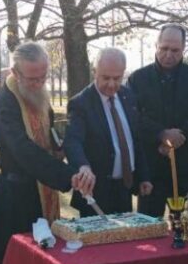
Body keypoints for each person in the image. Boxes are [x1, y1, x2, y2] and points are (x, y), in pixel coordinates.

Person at [0, 41, 94, 264]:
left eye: (43, 77)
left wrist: (60, 147)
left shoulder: (37, 94)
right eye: (32, 78)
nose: (38, 84)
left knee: (44, 261)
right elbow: (22, 150)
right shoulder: (6, 101)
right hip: (16, 194)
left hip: (41, 189)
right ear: (15, 72)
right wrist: (65, 175)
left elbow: (49, 132)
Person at [127, 24, 188, 217]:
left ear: (183, 49)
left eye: (175, 50)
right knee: (149, 226)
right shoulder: (137, 79)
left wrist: (181, 134)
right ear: (156, 45)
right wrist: (161, 134)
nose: (168, 55)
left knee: (184, 225)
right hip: (150, 167)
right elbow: (132, 117)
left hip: (184, 165)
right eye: (164, 48)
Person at [64, 48, 153, 215]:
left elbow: (134, 140)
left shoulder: (129, 97)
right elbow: (72, 140)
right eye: (105, 78)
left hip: (124, 189)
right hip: (95, 192)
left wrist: (143, 176)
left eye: (117, 78)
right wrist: (83, 166)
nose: (112, 84)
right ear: (94, 72)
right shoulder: (81, 103)